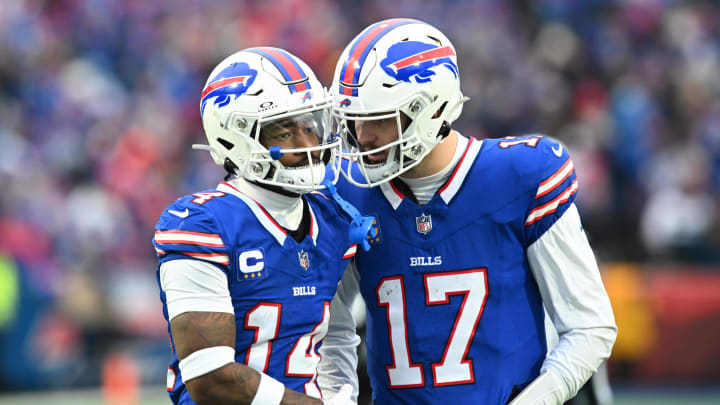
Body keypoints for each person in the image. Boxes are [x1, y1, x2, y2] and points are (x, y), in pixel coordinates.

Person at [316, 18, 617, 404]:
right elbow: (331, 330)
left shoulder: (519, 175)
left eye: (377, 117)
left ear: (431, 110)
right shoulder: (344, 192)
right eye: (354, 118)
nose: (362, 134)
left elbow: (590, 327)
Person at [153, 47, 362, 405]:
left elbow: (337, 336)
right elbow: (211, 378)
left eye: (310, 125)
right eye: (284, 132)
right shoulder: (204, 224)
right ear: (235, 139)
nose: (309, 143)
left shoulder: (332, 218)